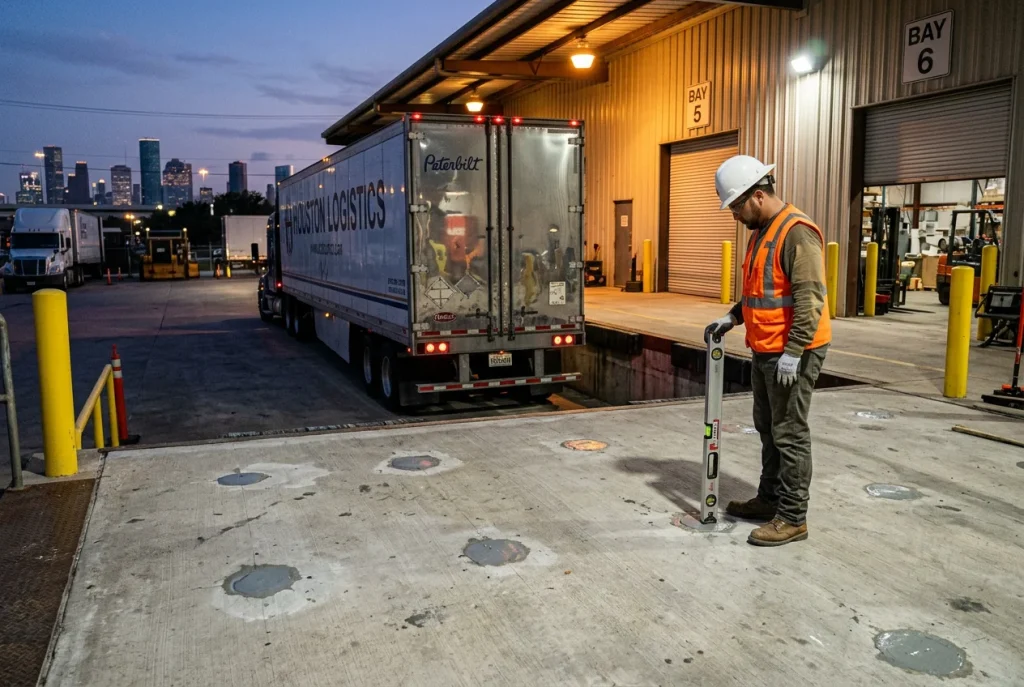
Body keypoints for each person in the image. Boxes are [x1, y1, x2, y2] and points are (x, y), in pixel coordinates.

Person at [706, 155, 831, 547]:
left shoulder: (796, 233)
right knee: (768, 427)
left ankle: (793, 517)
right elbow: (763, 293)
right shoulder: (762, 231)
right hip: (766, 348)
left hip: (794, 350)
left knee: (789, 433)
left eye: (737, 207)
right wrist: (733, 316)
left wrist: (794, 351)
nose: (736, 216)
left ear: (757, 196)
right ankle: (770, 499)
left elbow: (810, 299)